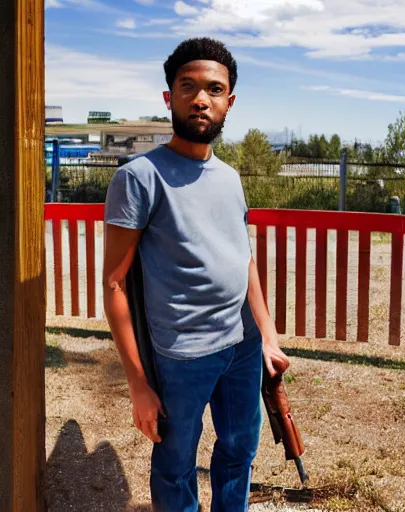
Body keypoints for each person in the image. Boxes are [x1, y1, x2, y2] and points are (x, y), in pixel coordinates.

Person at [102, 37, 290, 512]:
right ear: (169, 97)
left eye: (213, 89)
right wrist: (138, 384)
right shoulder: (139, 177)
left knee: (239, 451)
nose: (200, 98)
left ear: (229, 102)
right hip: (182, 354)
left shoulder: (229, 177)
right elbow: (115, 283)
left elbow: (243, 258)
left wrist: (266, 334)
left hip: (242, 347)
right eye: (188, 87)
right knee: (176, 462)